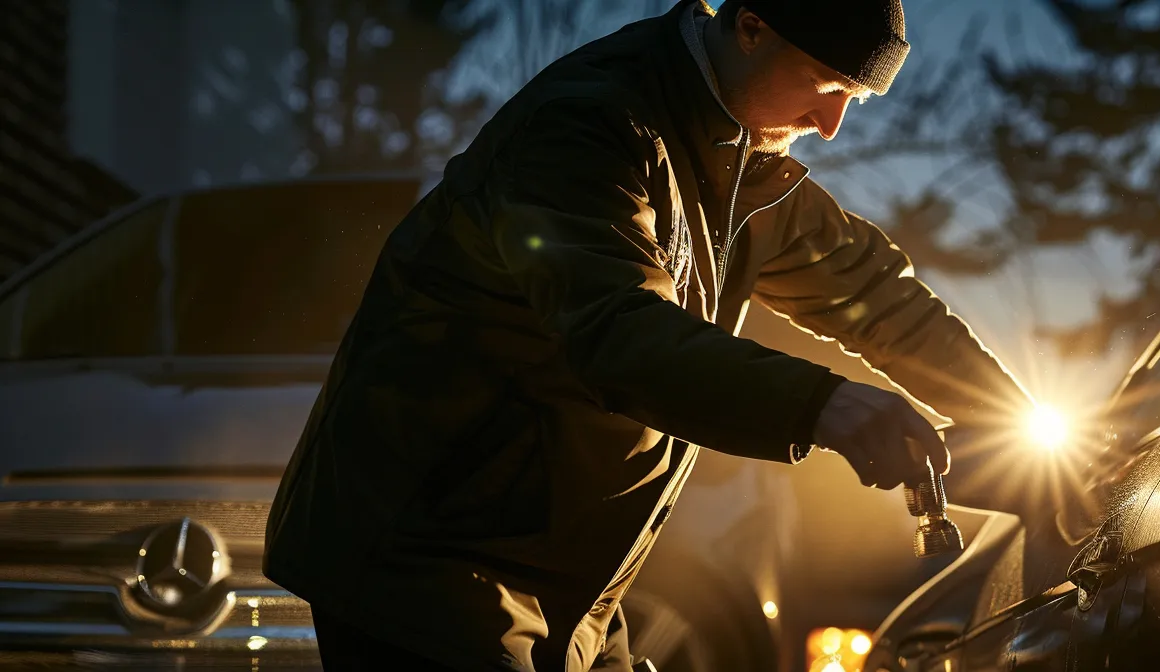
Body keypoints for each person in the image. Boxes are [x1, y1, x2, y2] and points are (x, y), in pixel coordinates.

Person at [263, 0, 1031, 670]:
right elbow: (617, 335)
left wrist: (1028, 430)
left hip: (568, 590)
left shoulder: (747, 165)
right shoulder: (588, 126)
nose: (829, 126)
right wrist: (820, 404)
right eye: (826, 87)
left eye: (853, 103)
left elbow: (878, 296)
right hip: (425, 570)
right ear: (753, 28)